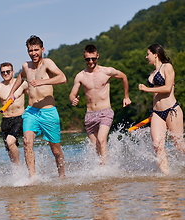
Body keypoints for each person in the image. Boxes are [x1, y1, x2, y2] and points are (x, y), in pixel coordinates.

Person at [7, 35, 67, 181]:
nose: (33, 53)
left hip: (48, 111)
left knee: (56, 150)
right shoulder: (26, 66)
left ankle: (62, 176)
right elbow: (20, 77)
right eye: (30, 50)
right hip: (31, 111)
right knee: (27, 142)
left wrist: (42, 82)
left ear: (42, 49)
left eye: (36, 50)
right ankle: (32, 178)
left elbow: (62, 78)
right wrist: (11, 93)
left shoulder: (47, 63)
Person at [69, 44, 132, 165]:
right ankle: (103, 169)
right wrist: (73, 99)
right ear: (84, 58)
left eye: (93, 58)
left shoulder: (107, 71)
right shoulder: (80, 76)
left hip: (105, 112)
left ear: (97, 56)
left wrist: (126, 96)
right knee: (95, 148)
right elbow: (72, 94)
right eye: (88, 59)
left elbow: (124, 77)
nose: (91, 61)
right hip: (90, 115)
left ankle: (105, 171)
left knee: (102, 140)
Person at [139, 44, 185, 174]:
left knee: (179, 146)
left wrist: (146, 88)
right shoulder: (152, 73)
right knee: (157, 145)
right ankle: (166, 177)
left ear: (155, 54)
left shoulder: (167, 67)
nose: (146, 57)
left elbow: (167, 88)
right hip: (157, 113)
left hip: (172, 110)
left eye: (148, 54)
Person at [0, 62, 28, 166]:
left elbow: (33, 97)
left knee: (10, 141)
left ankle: (19, 167)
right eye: (3, 72)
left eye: (8, 71)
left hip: (20, 118)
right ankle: (17, 168)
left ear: (13, 72)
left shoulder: (22, 84)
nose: (5, 74)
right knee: (10, 150)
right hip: (6, 120)